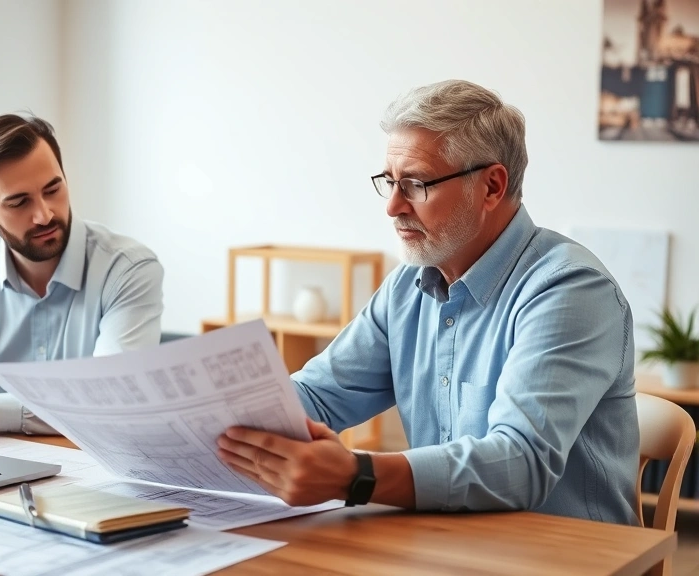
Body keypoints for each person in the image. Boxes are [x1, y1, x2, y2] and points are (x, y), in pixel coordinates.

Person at [216, 79, 639, 525]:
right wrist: (215, 420)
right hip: (444, 543)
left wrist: (357, 475)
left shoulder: (570, 290)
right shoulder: (407, 287)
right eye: (389, 182)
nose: (393, 206)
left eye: (415, 184)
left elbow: (520, 463)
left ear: (492, 186)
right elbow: (318, 396)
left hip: (569, 557)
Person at [0, 113, 164, 434]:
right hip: (11, 464)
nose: (44, 215)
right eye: (19, 202)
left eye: (53, 189)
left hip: (100, 468)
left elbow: (113, 401)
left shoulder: (128, 268)